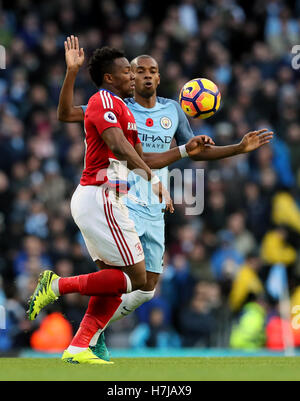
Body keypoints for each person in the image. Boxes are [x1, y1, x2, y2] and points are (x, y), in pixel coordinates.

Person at [57, 35, 274, 361]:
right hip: (122, 200)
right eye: (136, 70)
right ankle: (84, 332)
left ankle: (91, 332)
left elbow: (195, 152)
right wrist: (71, 73)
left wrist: (238, 148)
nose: (143, 75)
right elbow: (70, 115)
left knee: (146, 288)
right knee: (127, 278)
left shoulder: (173, 110)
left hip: (157, 206)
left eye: (150, 71)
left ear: (159, 78)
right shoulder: (117, 106)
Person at [27, 45, 210, 365]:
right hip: (100, 195)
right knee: (137, 280)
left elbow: (140, 154)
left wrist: (168, 166)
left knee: (114, 282)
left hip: (107, 199)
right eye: (127, 71)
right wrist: (71, 72)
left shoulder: (124, 111)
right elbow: (116, 143)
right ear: (110, 78)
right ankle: (55, 284)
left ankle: (79, 347)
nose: (133, 75)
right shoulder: (102, 101)